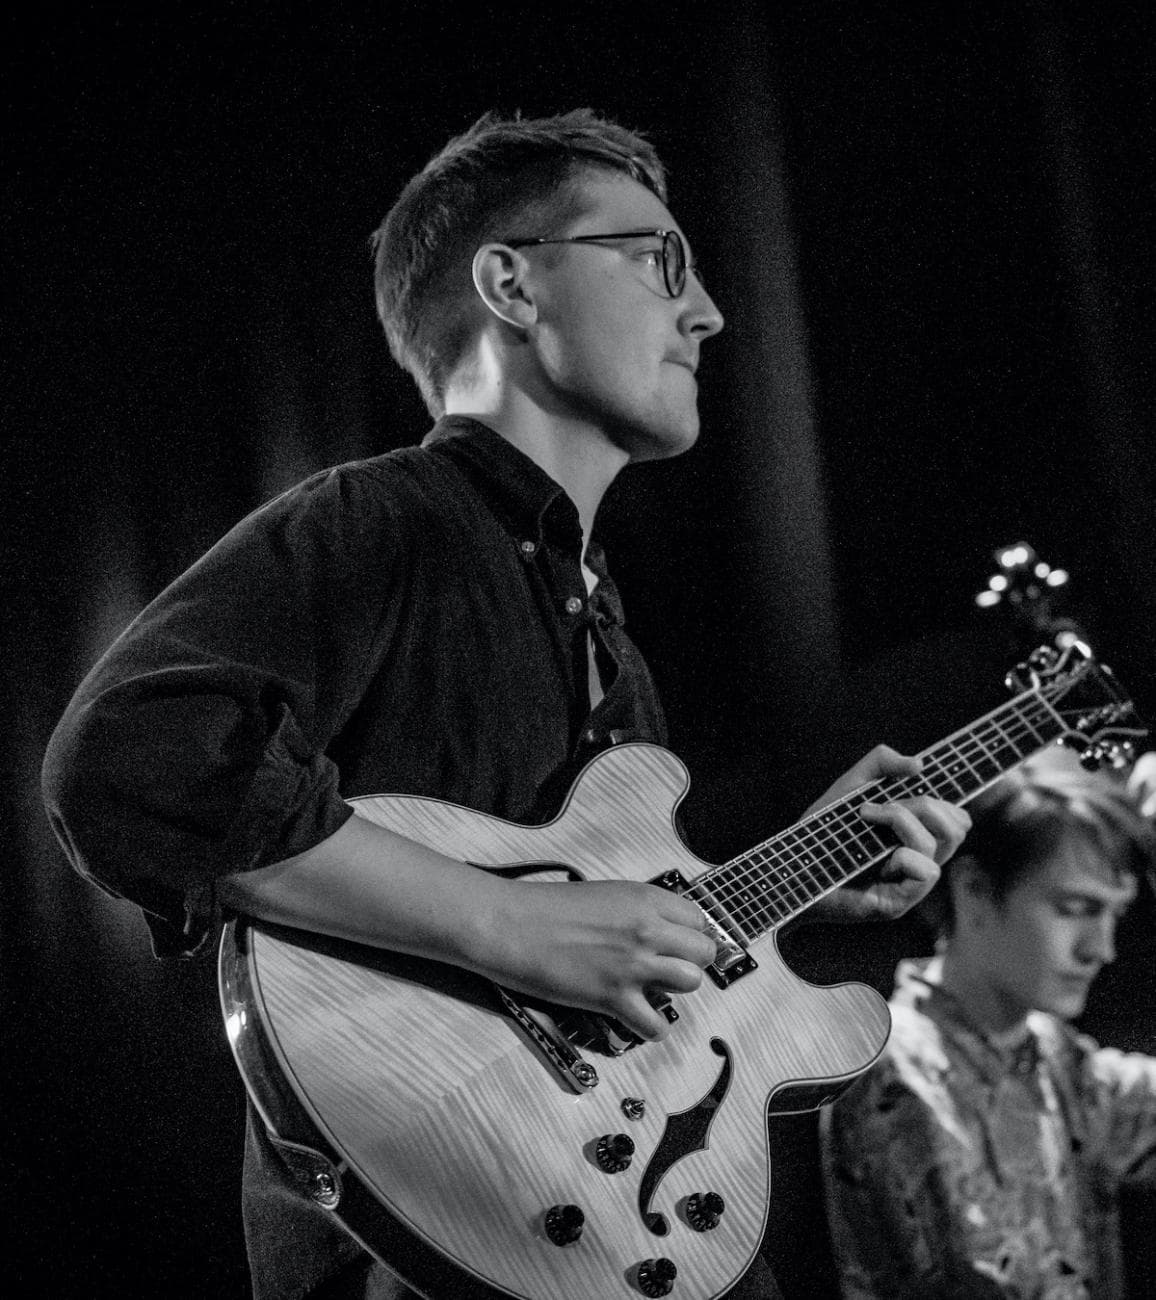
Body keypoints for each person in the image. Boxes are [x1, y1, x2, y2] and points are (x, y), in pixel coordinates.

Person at [42, 109, 970, 1300]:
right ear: (510, 285)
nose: (709, 313)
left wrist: (799, 872)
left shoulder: (605, 631)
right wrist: (501, 924)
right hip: (422, 1241)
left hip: (607, 1218)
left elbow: (599, 921)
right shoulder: (386, 520)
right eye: (658, 261)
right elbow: (129, 758)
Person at [820, 747, 1156, 1300]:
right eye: (1075, 909)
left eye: (1114, 914)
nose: (1103, 949)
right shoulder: (891, 1065)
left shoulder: (1058, 1058)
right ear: (974, 889)